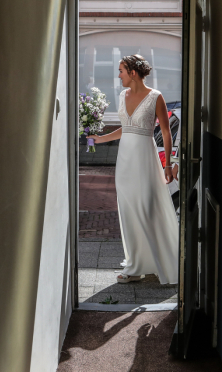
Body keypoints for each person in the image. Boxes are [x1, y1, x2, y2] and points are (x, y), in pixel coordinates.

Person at [87, 54, 179, 285]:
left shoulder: (156, 97)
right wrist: (99, 139)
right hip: (125, 162)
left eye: (121, 71)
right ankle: (136, 265)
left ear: (133, 73)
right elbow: (125, 128)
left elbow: (166, 133)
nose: (119, 76)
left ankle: (161, 261)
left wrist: (168, 164)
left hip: (145, 159)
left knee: (147, 208)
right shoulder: (122, 95)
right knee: (128, 211)